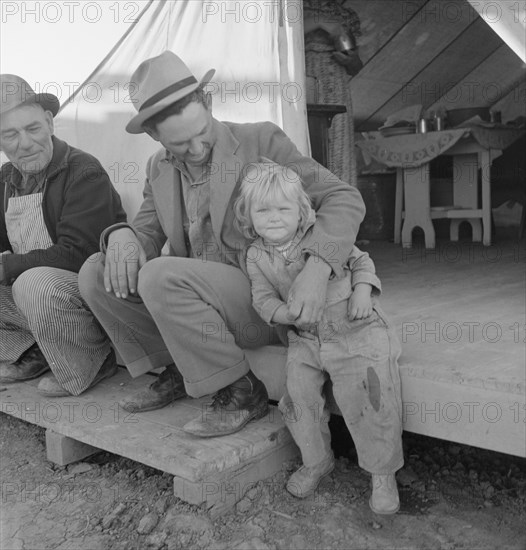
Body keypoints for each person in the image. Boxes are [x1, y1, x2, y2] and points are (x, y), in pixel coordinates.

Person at [78, 50, 366, 438]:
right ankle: (179, 369)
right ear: (154, 136)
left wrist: (317, 269)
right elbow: (146, 233)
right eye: (181, 144)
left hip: (264, 300)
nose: (197, 150)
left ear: (208, 102)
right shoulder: (157, 168)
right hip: (202, 306)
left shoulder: (261, 140)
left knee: (162, 275)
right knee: (96, 272)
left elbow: (343, 198)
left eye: (203, 133)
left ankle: (243, 392)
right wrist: (120, 235)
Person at [234, 161, 403, 514]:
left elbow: (361, 262)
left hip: (354, 330)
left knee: (370, 394)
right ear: (248, 217)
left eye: (284, 208)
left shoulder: (321, 238)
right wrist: (285, 315)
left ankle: (381, 473)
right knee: (298, 397)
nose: (274, 217)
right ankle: (317, 460)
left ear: (302, 212)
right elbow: (262, 298)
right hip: (306, 339)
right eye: (262, 210)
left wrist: (362, 292)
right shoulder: (256, 256)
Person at [0, 74, 127, 396]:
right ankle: (34, 351)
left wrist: (7, 267)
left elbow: (78, 253)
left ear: (49, 123)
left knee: (34, 283)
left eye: (32, 129)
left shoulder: (84, 171)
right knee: (27, 283)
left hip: (87, 294)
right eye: (10, 135)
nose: (24, 143)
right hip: (37, 300)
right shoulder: (5, 179)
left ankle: (92, 361)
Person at [303, 0, 363, 186]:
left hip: (337, 89)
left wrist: (350, 60)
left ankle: (340, 204)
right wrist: (320, 22)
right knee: (308, 143)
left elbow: (356, 67)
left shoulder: (346, 15)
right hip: (305, 85)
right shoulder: (295, 6)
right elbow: (282, 36)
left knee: (339, 148)